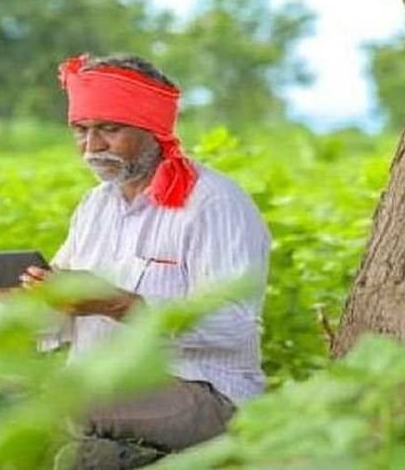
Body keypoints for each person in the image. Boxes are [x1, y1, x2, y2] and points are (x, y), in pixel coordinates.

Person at [22, 53, 271, 469]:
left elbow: (236, 326)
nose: (92, 146)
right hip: (104, 385)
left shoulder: (212, 203)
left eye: (109, 129)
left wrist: (121, 305)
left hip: (204, 391)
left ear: (154, 129)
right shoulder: (95, 207)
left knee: (62, 408)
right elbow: (62, 322)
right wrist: (34, 301)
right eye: (81, 131)